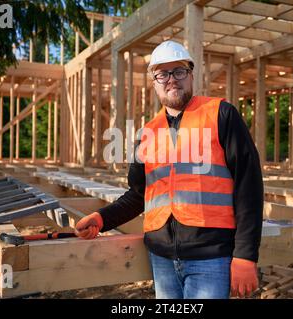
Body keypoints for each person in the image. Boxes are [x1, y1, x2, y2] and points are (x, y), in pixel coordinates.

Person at [74, 40, 264, 299]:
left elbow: (248, 186)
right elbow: (139, 195)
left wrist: (245, 255)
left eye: (179, 71)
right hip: (161, 258)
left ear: (191, 74)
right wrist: (101, 219)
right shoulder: (148, 133)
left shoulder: (221, 115)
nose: (171, 79)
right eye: (162, 74)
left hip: (210, 258)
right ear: (154, 82)